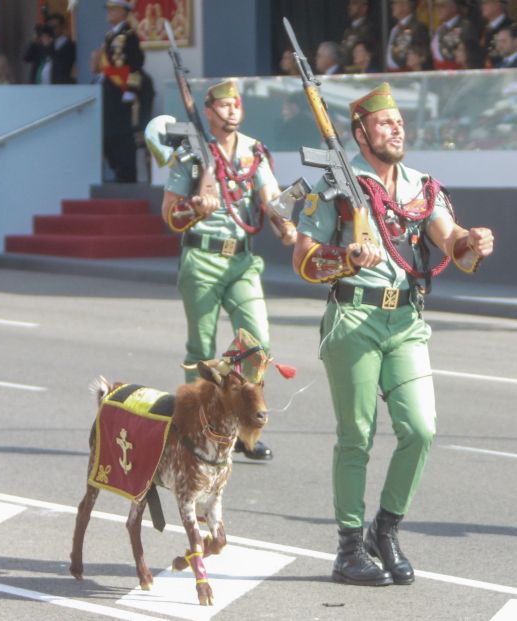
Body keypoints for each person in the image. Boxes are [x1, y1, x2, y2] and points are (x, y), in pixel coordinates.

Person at [292, 82, 494, 586]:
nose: (397, 127)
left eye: (399, 120)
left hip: (406, 322)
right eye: (385, 122)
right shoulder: (335, 187)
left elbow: (451, 243)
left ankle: (387, 527)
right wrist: (347, 258)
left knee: (421, 428)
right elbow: (302, 259)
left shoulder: (423, 186)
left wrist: (471, 241)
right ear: (360, 135)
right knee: (356, 437)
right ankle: (347, 548)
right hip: (354, 319)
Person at [159, 79, 297, 460]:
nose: (231, 110)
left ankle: (244, 428)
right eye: (223, 105)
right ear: (207, 112)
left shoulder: (254, 151)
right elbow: (169, 212)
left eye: (236, 104)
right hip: (201, 258)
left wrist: (285, 223)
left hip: (241, 259)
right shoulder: (191, 154)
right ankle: (193, 426)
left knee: (258, 344)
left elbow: (273, 198)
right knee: (201, 350)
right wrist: (195, 207)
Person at [93, 0, 145, 183]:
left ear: (123, 12)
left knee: (122, 134)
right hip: (109, 88)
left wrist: (130, 90)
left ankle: (126, 174)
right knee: (108, 133)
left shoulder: (129, 35)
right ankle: (117, 169)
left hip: (122, 90)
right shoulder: (110, 35)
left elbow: (136, 64)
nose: (109, 13)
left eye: (113, 9)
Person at [431, 0, 479, 69]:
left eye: (442, 6)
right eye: (436, 6)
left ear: (453, 7)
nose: (438, 9)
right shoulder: (440, 30)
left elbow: (472, 56)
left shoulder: (466, 27)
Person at [386, 0, 430, 72]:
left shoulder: (418, 27)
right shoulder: (395, 29)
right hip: (392, 75)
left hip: (408, 76)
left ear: (405, 5)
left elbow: (420, 57)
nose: (392, 6)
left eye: (395, 3)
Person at [340, 0, 377, 68]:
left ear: (364, 7)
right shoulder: (348, 31)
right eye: (350, 4)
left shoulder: (369, 28)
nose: (349, 7)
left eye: (354, 3)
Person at [480, 0, 513, 68]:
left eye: (485, 3)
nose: (482, 6)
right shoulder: (484, 28)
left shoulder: (509, 26)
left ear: (497, 5)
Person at [46, 12, 76, 83]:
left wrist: (49, 47)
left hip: (60, 85)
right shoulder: (50, 44)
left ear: (62, 27)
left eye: (54, 27)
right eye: (49, 27)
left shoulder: (69, 46)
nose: (52, 30)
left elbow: (60, 66)